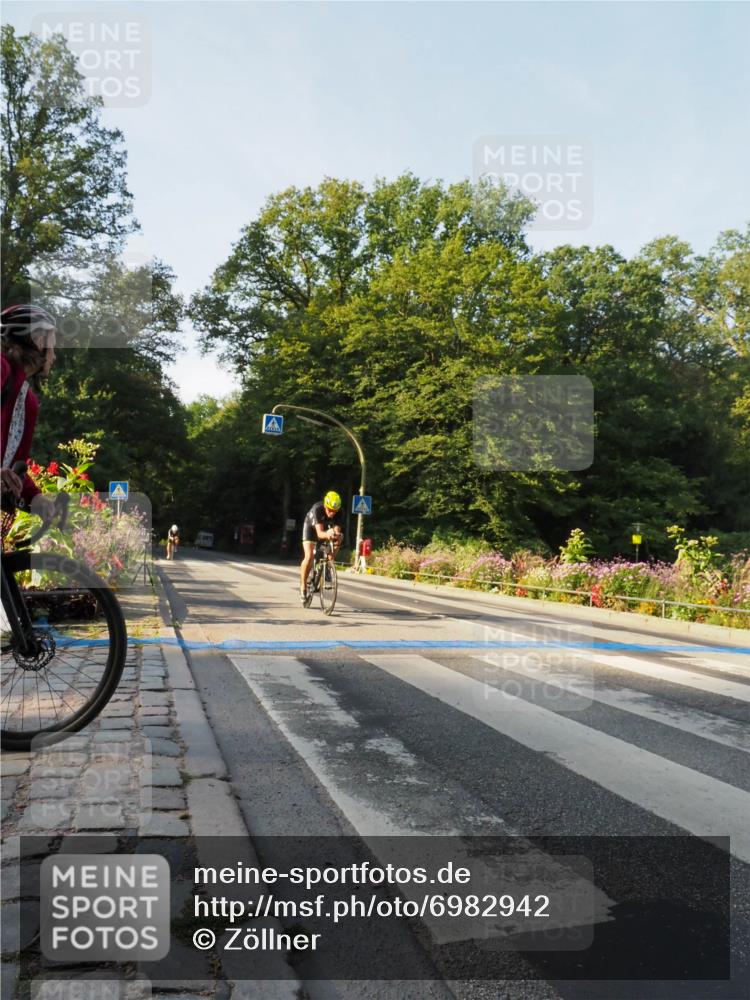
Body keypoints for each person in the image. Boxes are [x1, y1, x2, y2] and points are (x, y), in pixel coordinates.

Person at [1, 304, 57, 515]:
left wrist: (36, 499)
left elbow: (14, 467)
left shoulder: (28, 402)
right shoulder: (2, 368)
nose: (54, 355)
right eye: (52, 346)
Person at [300, 490, 343, 602]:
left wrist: (337, 535)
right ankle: (303, 587)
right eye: (330, 510)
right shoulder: (318, 509)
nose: (332, 513)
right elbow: (319, 534)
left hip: (325, 529)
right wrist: (328, 533)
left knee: (338, 538)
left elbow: (337, 530)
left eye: (335, 511)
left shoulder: (340, 512)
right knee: (309, 556)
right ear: (325, 505)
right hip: (311, 528)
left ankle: (329, 563)